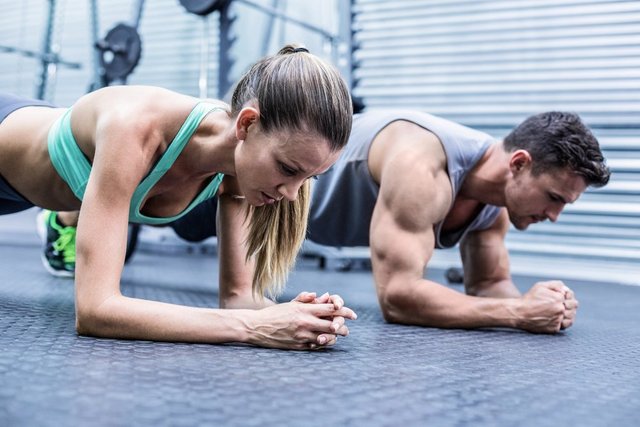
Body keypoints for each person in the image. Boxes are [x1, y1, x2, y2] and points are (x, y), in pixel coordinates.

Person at [0, 44, 357, 350]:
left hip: (32, 187)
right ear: (247, 124)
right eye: (288, 169)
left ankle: (64, 217)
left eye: (310, 177)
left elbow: (238, 299)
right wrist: (253, 327)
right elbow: (96, 310)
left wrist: (300, 316)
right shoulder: (134, 128)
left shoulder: (240, 173)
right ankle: (63, 221)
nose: (292, 195)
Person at [160, 109, 610, 334]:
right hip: (256, 191)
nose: (553, 215)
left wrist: (540, 305)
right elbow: (398, 297)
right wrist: (516, 312)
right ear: (518, 163)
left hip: (291, 217)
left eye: (563, 205)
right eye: (554, 198)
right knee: (169, 208)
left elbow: (490, 286)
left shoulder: (496, 204)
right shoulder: (423, 162)